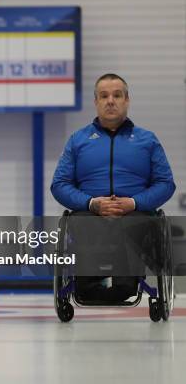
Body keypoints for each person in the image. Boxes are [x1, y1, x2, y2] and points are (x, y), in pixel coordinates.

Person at [51, 73, 175, 300]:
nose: (111, 101)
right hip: (89, 212)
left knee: (134, 222)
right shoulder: (78, 140)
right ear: (96, 102)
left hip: (135, 212)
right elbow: (59, 185)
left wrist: (134, 202)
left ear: (127, 100)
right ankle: (87, 290)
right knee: (81, 223)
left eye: (117, 95)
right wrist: (91, 203)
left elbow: (166, 184)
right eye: (104, 96)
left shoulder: (147, 140)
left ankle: (124, 288)